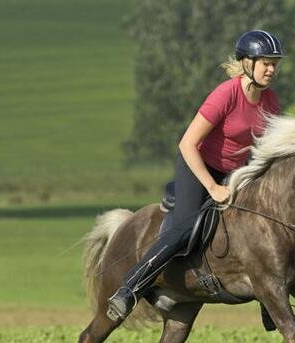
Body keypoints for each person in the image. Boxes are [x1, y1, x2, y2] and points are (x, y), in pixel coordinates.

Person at [107, 30, 285, 322]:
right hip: (198, 164)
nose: (271, 69)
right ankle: (130, 288)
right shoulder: (226, 93)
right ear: (247, 63)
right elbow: (187, 144)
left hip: (235, 172)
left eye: (275, 63)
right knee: (186, 225)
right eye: (265, 62)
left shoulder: (271, 101)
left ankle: (271, 304)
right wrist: (212, 187)